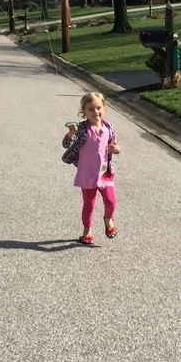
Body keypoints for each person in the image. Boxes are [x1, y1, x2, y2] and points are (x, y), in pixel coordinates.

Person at [62, 91, 121, 246]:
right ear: (84, 112)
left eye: (98, 108)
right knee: (89, 204)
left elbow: (115, 145)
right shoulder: (82, 129)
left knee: (111, 201)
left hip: (105, 173)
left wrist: (117, 150)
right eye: (91, 109)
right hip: (87, 174)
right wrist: (71, 133)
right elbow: (66, 145)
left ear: (104, 108)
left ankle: (108, 219)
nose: (96, 112)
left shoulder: (109, 127)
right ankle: (87, 231)